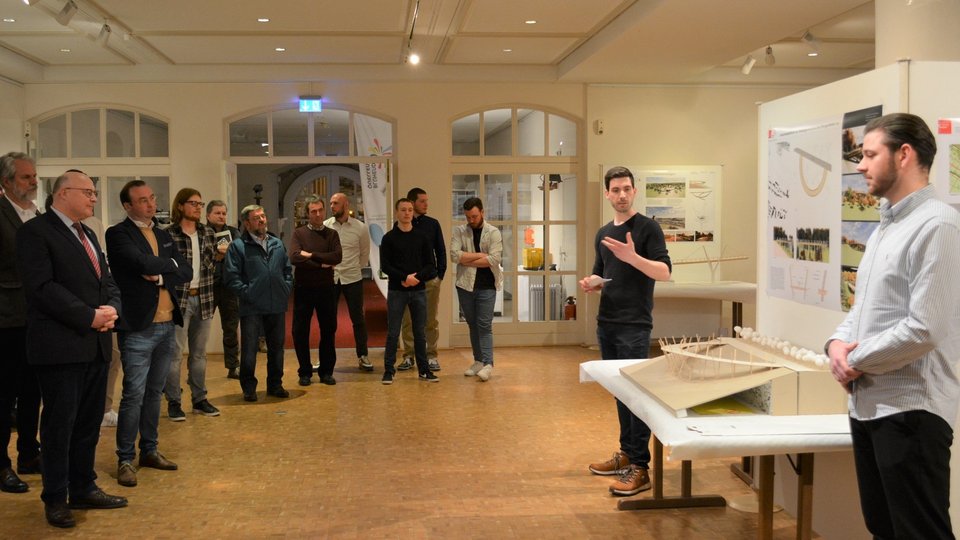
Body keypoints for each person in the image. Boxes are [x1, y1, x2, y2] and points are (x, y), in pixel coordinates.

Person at [825, 113, 960, 539]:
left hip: (911, 410)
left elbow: (925, 328)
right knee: (883, 528)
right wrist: (835, 345)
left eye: (869, 155)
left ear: (904, 154)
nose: (861, 165)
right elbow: (864, 306)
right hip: (869, 405)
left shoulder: (938, 224)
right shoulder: (887, 225)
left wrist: (855, 361)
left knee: (920, 532)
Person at [17, 170, 127, 528]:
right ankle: (56, 497)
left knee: (88, 424)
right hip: (60, 346)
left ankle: (83, 487)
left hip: (95, 344)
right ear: (63, 193)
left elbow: (106, 280)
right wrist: (89, 316)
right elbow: (42, 288)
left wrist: (112, 309)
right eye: (88, 192)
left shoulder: (88, 233)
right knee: (59, 426)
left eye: (94, 193)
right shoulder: (36, 232)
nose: (94, 198)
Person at [580, 166, 671, 497]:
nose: (621, 195)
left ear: (634, 191)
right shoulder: (604, 233)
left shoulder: (648, 228)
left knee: (637, 395)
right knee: (621, 392)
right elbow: (601, 273)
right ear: (607, 194)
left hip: (635, 325)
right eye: (615, 190)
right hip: (607, 322)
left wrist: (633, 257)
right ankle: (627, 454)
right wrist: (592, 283)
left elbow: (664, 272)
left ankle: (641, 468)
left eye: (626, 189)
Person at [106, 180, 191, 489]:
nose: (150, 204)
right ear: (127, 206)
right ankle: (125, 458)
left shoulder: (163, 234)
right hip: (139, 327)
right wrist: (168, 267)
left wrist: (160, 274)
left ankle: (150, 450)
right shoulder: (118, 234)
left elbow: (186, 271)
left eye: (152, 198)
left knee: (155, 393)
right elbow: (139, 262)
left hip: (167, 325)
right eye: (142, 200)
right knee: (134, 394)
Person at [0, 152, 42, 493]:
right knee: (4, 395)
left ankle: (29, 453)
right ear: (7, 181)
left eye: (34, 176)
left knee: (32, 392)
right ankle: (1, 464)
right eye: (26, 177)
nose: (33, 181)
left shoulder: (37, 214)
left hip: (39, 318)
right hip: (7, 318)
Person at [224, 205, 293, 402]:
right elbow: (231, 277)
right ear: (247, 223)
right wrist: (248, 293)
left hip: (276, 303)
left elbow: (287, 270)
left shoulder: (277, 243)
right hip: (251, 306)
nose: (262, 220)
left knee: (276, 349)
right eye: (256, 218)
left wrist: (285, 287)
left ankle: (275, 385)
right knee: (249, 350)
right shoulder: (238, 247)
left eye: (263, 216)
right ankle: (249, 388)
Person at [163, 188, 220, 420]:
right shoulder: (168, 234)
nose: (198, 207)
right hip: (179, 301)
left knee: (199, 354)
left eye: (200, 204)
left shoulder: (208, 232)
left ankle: (199, 399)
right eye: (193, 203)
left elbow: (211, 264)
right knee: (174, 355)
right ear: (180, 206)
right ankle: (174, 401)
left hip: (204, 298)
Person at [380, 198, 438, 385]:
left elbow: (431, 265)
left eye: (410, 210)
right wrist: (404, 278)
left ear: (413, 213)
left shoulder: (422, 237)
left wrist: (416, 278)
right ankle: (388, 371)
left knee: (419, 332)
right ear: (397, 212)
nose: (407, 213)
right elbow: (385, 266)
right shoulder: (388, 238)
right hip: (397, 291)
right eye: (403, 210)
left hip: (419, 290)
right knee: (393, 332)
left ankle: (424, 370)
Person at [290, 195, 342, 386]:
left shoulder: (332, 234)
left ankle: (326, 371)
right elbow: (295, 258)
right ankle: (304, 371)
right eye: (314, 211)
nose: (318, 214)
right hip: (304, 288)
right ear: (308, 213)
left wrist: (311, 255)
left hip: (326, 289)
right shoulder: (299, 234)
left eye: (320, 210)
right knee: (300, 331)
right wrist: (321, 264)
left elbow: (336, 257)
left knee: (328, 329)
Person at [450, 197, 502, 382]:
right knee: (472, 324)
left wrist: (467, 259)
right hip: (465, 285)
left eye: (474, 216)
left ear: (482, 212)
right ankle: (478, 361)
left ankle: (488, 364)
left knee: (484, 325)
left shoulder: (493, 232)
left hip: (487, 286)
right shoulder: (459, 231)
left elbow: (494, 259)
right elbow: (454, 255)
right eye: (468, 217)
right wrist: (480, 255)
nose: (471, 220)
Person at [398, 187, 445, 372]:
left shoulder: (432, 224)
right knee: (408, 320)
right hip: (408, 282)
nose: (426, 204)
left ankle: (431, 356)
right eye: (422, 201)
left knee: (430, 321)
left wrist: (439, 276)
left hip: (430, 281)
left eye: (427, 201)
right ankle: (409, 356)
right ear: (412, 202)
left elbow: (440, 251)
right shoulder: (401, 225)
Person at [325, 192, 372, 372]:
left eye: (335, 203)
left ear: (346, 205)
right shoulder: (326, 226)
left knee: (358, 319)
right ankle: (325, 357)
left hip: (353, 278)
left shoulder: (360, 228)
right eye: (331, 203)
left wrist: (354, 268)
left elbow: (364, 254)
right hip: (331, 278)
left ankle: (363, 355)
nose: (332, 206)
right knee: (328, 319)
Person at [206, 200, 242, 379]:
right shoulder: (201, 232)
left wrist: (226, 254)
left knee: (230, 329)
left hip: (229, 287)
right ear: (208, 215)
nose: (221, 216)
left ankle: (233, 366)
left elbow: (239, 254)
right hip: (207, 287)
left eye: (223, 213)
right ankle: (195, 371)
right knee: (199, 331)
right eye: (217, 213)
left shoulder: (234, 233)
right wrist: (216, 255)